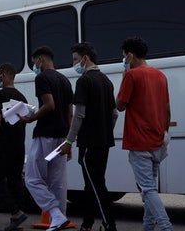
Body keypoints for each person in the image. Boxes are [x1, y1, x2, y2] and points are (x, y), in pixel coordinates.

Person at [115, 36, 173, 231]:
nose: (124, 60)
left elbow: (120, 105)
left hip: (139, 142)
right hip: (157, 140)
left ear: (130, 55)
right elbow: (167, 109)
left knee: (147, 190)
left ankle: (166, 227)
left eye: (124, 57)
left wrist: (125, 74)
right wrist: (164, 133)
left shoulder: (132, 76)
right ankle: (148, 227)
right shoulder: (160, 75)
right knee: (150, 190)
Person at [59, 42, 117, 231]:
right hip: (105, 142)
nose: (73, 63)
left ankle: (110, 225)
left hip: (89, 143)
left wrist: (69, 140)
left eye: (75, 59)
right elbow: (114, 114)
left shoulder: (84, 81)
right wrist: (104, 129)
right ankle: (88, 224)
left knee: (97, 186)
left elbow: (79, 114)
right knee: (92, 185)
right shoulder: (106, 81)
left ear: (85, 58)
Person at [20, 46, 73, 231]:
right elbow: (69, 112)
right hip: (61, 137)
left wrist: (30, 118)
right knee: (57, 181)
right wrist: (69, 141)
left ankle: (55, 214)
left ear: (40, 60)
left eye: (35, 62)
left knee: (32, 178)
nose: (35, 66)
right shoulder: (64, 80)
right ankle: (59, 220)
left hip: (45, 135)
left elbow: (49, 105)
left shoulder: (42, 77)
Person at [0, 63, 29, 231]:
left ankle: (15, 212)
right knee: (15, 179)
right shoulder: (22, 97)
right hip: (18, 144)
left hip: (3, 145)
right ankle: (17, 216)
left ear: (3, 75)